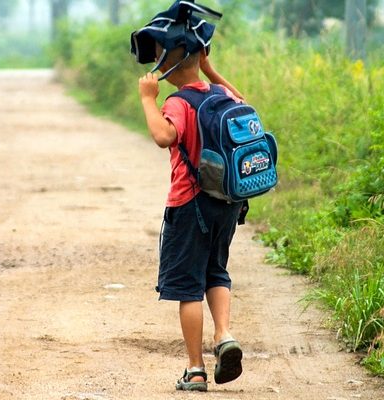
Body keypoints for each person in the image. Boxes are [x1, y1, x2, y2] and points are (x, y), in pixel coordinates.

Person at [138, 41, 246, 392]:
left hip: (190, 205)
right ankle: (224, 334)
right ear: (199, 58)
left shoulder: (178, 102)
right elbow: (242, 104)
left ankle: (196, 369)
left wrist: (146, 99)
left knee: (188, 288)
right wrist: (211, 71)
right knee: (216, 271)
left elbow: (162, 136)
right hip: (226, 202)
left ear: (165, 65)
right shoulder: (220, 94)